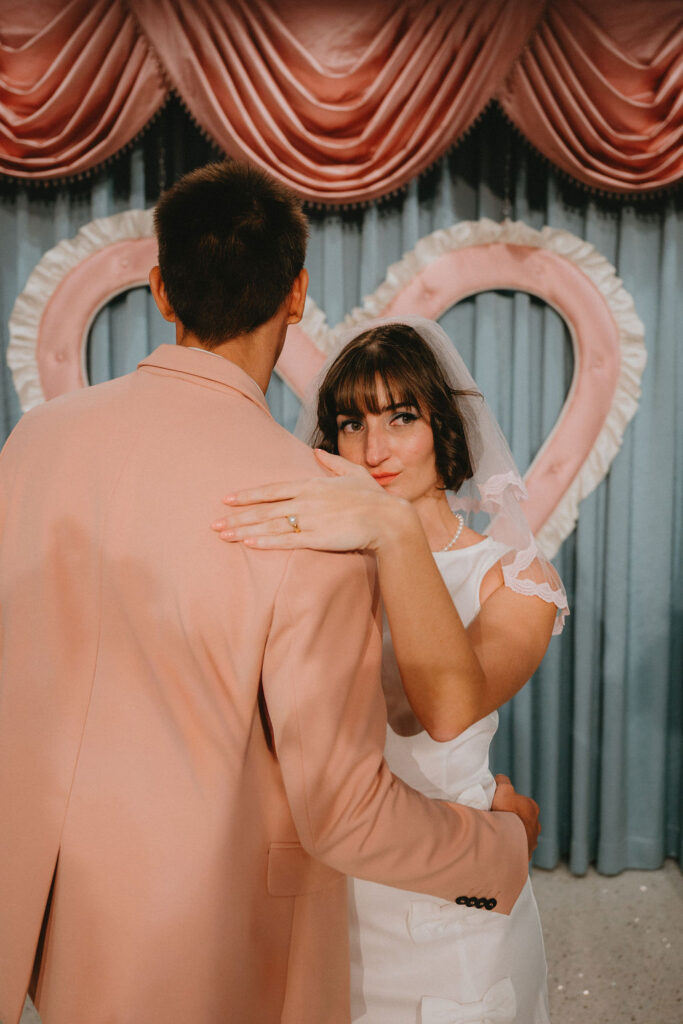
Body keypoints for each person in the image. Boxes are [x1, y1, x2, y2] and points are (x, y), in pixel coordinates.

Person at [0, 165, 538, 1024]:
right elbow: (340, 812)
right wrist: (499, 854)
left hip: (48, 901)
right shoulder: (312, 504)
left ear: (160, 291)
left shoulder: (33, 442)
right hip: (209, 927)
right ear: (296, 294)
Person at [212, 318, 569, 1022]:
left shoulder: (516, 581)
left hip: (454, 886)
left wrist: (391, 529)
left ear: (443, 428)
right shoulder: (308, 574)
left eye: (400, 417)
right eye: (350, 423)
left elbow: (434, 710)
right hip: (324, 881)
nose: (373, 449)